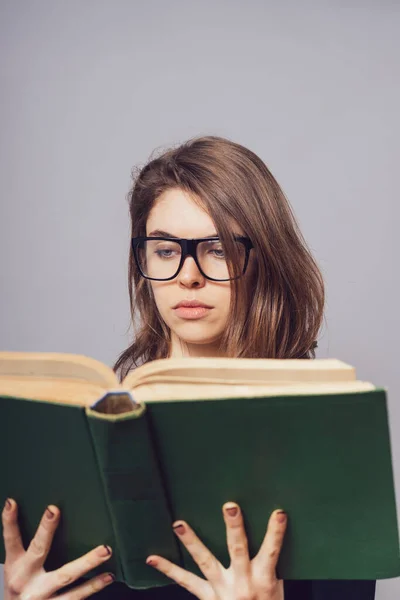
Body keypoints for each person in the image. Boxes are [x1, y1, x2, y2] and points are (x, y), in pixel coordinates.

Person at [2, 136, 376, 600]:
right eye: (164, 250)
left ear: (267, 261)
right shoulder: (99, 437)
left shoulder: (328, 445)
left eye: (217, 249)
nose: (187, 274)